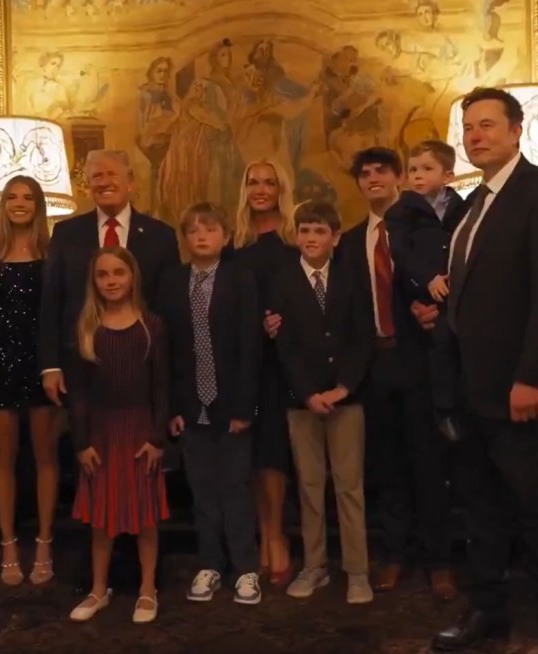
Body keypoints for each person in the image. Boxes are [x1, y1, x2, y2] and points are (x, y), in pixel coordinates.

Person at [431, 87, 538, 654]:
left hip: (518, 389)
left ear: (517, 131)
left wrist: (532, 378)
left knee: (534, 515)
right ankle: (487, 612)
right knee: (482, 513)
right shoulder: (473, 204)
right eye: (469, 127)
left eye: (488, 125)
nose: (476, 135)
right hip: (472, 392)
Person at [337, 147, 456, 600]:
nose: (372, 180)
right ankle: (394, 556)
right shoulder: (350, 242)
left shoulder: (423, 227)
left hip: (420, 360)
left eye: (381, 172)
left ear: (399, 177)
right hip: (374, 364)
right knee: (387, 468)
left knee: (428, 465)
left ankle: (440, 562)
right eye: (364, 174)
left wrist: (435, 313)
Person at [158, 202, 262, 605]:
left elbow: (250, 347)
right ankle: (211, 565)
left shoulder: (241, 278)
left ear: (226, 236)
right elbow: (166, 351)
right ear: (185, 239)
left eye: (210, 229)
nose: (201, 236)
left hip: (231, 404)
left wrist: (244, 408)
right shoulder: (170, 282)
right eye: (193, 230)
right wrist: (171, 408)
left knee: (235, 489)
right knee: (202, 492)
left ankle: (246, 569)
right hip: (189, 406)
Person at [272, 201, 374, 604]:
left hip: (346, 401)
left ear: (334, 237)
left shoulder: (351, 278)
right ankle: (315, 566)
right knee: (310, 486)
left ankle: (357, 571)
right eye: (305, 231)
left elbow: (362, 338)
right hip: (302, 404)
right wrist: (307, 394)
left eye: (319, 232)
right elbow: (284, 346)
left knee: (350, 488)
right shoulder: (281, 281)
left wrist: (343, 388)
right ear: (296, 236)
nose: (311, 239)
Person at [66, 247, 170, 625]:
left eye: (118, 273)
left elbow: (162, 387)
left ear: (132, 277)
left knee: (145, 517)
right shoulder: (86, 327)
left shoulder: (151, 325)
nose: (111, 281)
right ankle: (98, 589)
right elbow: (77, 394)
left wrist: (158, 438)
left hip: (140, 431)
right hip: (101, 435)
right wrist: (82, 442)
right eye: (103, 275)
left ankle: (147, 589)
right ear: (94, 281)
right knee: (101, 518)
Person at [38, 149, 179, 401]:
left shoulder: (162, 236)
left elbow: (169, 306)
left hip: (143, 366)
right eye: (96, 176)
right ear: (88, 184)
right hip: (80, 366)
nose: (104, 182)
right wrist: (51, 366)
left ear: (130, 181)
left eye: (112, 174)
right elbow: (51, 301)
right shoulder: (65, 233)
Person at [0, 175, 60, 586]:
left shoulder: (53, 253)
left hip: (42, 363)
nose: (19, 203)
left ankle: (44, 541)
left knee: (45, 456)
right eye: (12, 197)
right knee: (2, 456)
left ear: (38, 205)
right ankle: (8, 543)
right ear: (3, 204)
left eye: (28, 197)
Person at [231, 158, 299, 586]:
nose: (260, 189)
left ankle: (276, 537)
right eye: (253, 182)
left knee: (274, 452)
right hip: (240, 363)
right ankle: (261, 535)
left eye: (268, 182)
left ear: (280, 189)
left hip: (282, 364)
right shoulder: (231, 246)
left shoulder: (293, 243)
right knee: (251, 455)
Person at [386, 140, 468, 441]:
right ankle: (441, 410)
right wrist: (428, 278)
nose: (417, 175)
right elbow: (402, 254)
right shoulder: (401, 211)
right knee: (439, 344)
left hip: (457, 291)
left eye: (427, 169)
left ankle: (457, 408)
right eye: (413, 170)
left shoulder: (462, 208)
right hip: (423, 292)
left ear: (447, 176)